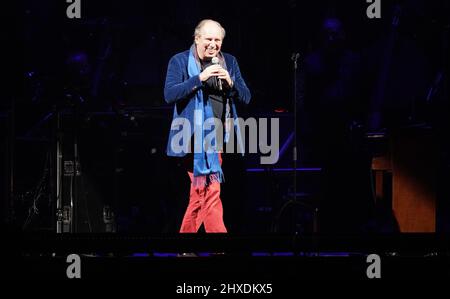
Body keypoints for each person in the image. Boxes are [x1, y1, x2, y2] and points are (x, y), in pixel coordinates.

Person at [164, 19, 251, 233]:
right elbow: (169, 95)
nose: (213, 44)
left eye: (217, 40)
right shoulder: (180, 61)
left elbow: (247, 97)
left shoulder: (228, 61)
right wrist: (199, 78)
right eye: (208, 39)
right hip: (190, 136)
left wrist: (231, 82)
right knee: (210, 191)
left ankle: (186, 247)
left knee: (201, 193)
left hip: (218, 137)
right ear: (197, 39)